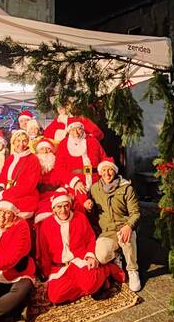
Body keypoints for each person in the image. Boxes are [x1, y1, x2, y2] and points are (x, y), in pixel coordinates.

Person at [36, 189, 124, 304]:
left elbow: (91, 239)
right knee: (55, 297)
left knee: (90, 284)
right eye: (59, 207)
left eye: (66, 206)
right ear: (53, 209)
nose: (63, 210)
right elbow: (44, 252)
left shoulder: (79, 217)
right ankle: (92, 284)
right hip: (60, 268)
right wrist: (47, 273)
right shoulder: (46, 224)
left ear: (70, 205)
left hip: (79, 261)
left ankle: (106, 270)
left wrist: (91, 256)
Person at [88, 157, 141, 292]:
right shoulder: (94, 189)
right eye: (104, 170)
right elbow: (92, 213)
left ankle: (132, 270)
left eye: (110, 170)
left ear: (115, 171)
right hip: (107, 231)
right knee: (101, 256)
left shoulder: (126, 188)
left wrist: (129, 225)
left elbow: (136, 212)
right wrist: (88, 207)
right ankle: (117, 253)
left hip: (124, 226)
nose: (107, 173)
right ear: (100, 172)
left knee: (127, 239)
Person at [54, 117, 107, 208]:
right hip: (76, 184)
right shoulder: (63, 144)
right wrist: (75, 182)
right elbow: (59, 168)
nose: (76, 133)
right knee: (79, 208)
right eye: (72, 130)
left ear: (82, 128)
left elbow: (104, 159)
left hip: (96, 181)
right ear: (69, 131)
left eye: (78, 129)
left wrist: (105, 176)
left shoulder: (93, 141)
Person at [0, 130, 40, 220]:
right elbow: (3, 176)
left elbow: (29, 185)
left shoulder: (33, 159)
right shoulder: (11, 158)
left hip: (25, 197)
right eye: (18, 141)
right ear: (13, 142)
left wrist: (5, 194)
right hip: (8, 193)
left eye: (24, 141)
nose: (21, 144)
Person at [33, 138, 62, 225]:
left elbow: (64, 178)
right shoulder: (33, 164)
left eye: (48, 149)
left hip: (55, 194)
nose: (45, 151)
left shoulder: (58, 163)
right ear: (38, 152)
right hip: (38, 196)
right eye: (42, 149)